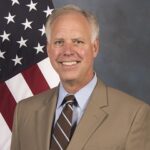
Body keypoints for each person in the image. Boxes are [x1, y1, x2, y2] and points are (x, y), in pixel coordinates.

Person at [11, 4, 150, 150]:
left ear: (94, 47)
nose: (68, 51)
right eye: (59, 42)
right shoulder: (24, 111)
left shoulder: (134, 115)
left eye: (78, 42)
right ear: (48, 49)